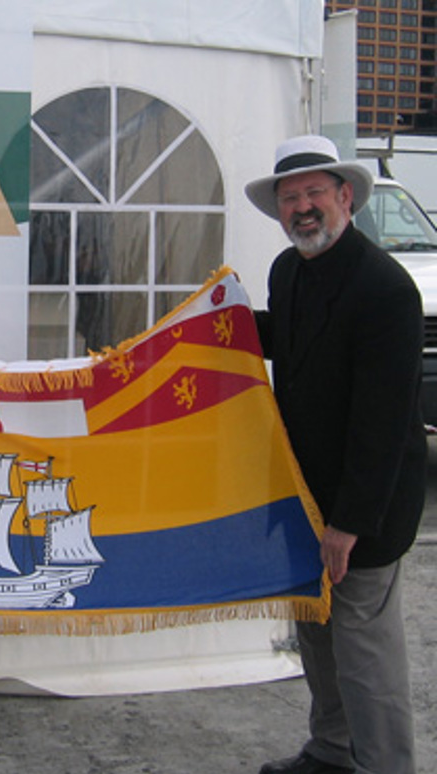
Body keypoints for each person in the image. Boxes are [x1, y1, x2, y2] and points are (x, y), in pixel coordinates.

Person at [245, 134, 425, 774]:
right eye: (290, 197)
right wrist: (226, 323)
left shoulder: (387, 291)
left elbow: (382, 426)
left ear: (345, 196)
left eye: (314, 193)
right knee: (316, 635)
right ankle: (332, 751)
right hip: (303, 495)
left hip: (364, 511)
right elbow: (291, 342)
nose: (301, 208)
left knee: (363, 649)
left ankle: (385, 765)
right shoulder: (289, 270)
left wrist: (347, 526)